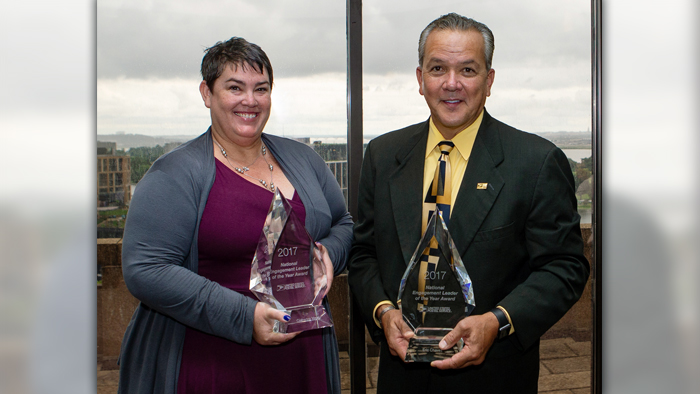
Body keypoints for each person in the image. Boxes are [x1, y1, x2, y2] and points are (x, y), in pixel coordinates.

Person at [347, 13, 589, 393]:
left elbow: (565, 266)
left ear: (489, 81)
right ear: (420, 78)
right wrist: (382, 311)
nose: (451, 83)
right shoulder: (382, 154)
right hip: (401, 378)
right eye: (438, 68)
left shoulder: (536, 161)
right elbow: (363, 254)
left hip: (493, 377)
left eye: (468, 70)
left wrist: (498, 321)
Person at [118, 37, 353, 394]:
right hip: (213, 361)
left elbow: (343, 225)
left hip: (303, 358)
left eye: (261, 89)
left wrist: (326, 256)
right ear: (206, 93)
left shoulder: (304, 159)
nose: (250, 100)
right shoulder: (173, 174)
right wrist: (244, 317)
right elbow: (146, 269)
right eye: (234, 87)